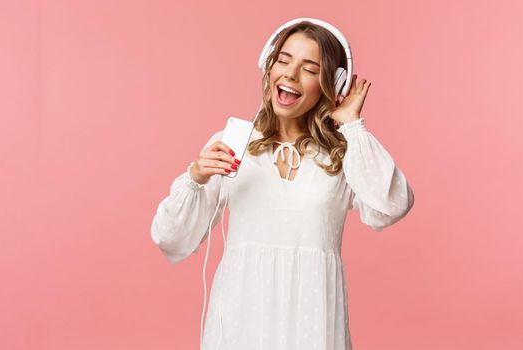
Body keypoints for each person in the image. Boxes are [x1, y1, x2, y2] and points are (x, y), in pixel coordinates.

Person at [150, 18, 415, 350]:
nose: (290, 74)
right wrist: (196, 177)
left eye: (309, 68)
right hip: (240, 318)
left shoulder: (343, 155)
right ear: (269, 66)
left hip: (313, 320)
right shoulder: (233, 144)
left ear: (333, 84)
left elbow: (392, 205)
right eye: (284, 60)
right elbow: (171, 237)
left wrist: (352, 126)